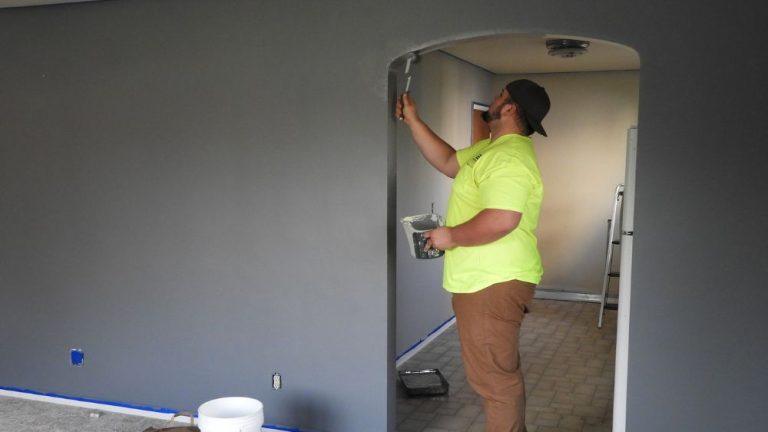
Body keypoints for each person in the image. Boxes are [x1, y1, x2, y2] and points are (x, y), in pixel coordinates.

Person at [395, 79, 550, 432]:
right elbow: (449, 161)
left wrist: (451, 236)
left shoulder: (510, 157)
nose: (494, 100)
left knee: (495, 382)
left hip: (492, 282)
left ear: (510, 108)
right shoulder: (490, 150)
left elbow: (502, 219)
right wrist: (414, 121)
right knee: (498, 374)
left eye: (500, 96)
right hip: (482, 281)